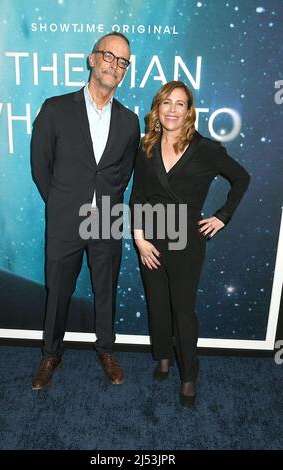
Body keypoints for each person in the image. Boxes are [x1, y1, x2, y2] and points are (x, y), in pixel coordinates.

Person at [130, 81, 250, 407]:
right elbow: (139, 195)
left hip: (186, 242)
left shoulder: (206, 148)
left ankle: (188, 375)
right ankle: (163, 357)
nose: (172, 109)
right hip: (151, 239)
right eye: (166, 102)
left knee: (183, 311)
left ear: (189, 110)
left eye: (180, 104)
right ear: (158, 108)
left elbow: (242, 179)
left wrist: (222, 216)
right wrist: (139, 238)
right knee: (157, 303)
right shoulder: (147, 147)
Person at [30, 32, 140, 390]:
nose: (115, 66)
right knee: (57, 290)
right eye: (109, 56)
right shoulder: (55, 108)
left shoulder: (129, 122)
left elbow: (123, 172)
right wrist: (63, 203)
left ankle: (106, 351)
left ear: (125, 71)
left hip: (107, 221)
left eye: (122, 61)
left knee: (106, 289)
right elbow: (40, 165)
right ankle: (51, 355)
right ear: (92, 59)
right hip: (65, 220)